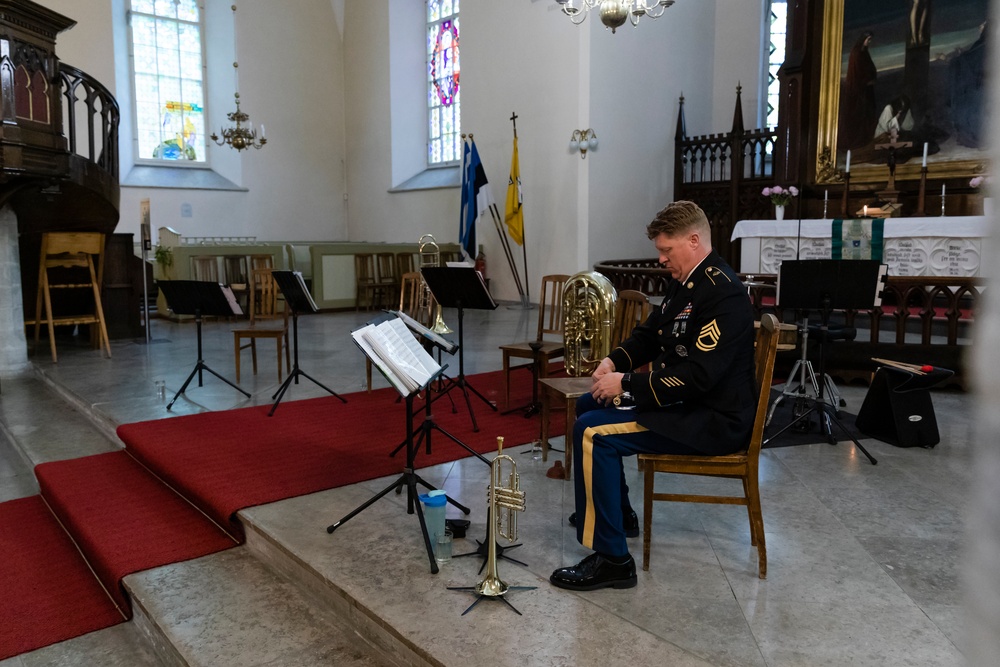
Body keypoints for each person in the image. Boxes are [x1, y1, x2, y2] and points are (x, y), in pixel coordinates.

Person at [549, 201, 756, 592]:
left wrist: (627, 384)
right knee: (591, 403)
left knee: (594, 433)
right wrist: (613, 361)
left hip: (711, 418)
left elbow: (698, 377)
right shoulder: (689, 281)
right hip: (687, 403)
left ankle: (613, 560)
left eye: (667, 250)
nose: (661, 259)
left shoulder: (723, 294)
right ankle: (620, 516)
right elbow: (653, 333)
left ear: (694, 241)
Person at [839, 31, 878, 151]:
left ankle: (866, 138)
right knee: (861, 114)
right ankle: (860, 140)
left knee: (869, 113)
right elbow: (856, 73)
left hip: (867, 89)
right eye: (868, 39)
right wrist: (866, 82)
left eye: (870, 40)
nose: (869, 42)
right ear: (863, 39)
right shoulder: (856, 53)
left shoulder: (864, 52)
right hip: (859, 90)